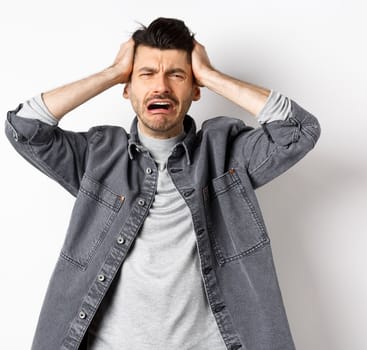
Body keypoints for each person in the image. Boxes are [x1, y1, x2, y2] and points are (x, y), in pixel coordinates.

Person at [5, 17, 320, 350]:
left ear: (196, 89)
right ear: (127, 89)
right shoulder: (97, 156)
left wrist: (211, 75)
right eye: (146, 74)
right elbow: (24, 128)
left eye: (177, 74)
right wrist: (112, 72)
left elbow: (299, 131)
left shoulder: (226, 153)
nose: (161, 87)